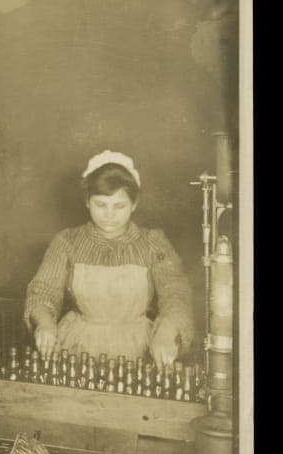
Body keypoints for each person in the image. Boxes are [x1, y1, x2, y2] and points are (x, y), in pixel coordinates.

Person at [24, 150, 195, 367]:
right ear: (87, 201)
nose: (109, 215)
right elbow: (44, 290)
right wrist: (45, 323)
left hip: (138, 348)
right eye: (100, 205)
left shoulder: (154, 243)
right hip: (76, 345)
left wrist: (168, 330)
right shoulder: (67, 242)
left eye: (119, 206)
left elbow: (176, 292)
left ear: (134, 203)